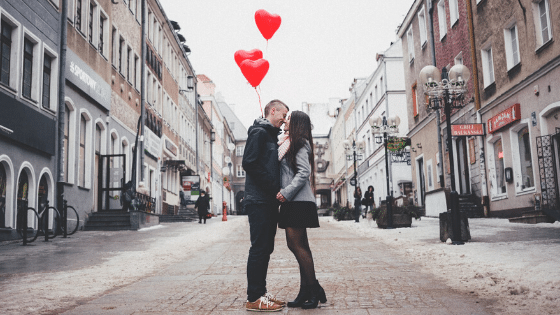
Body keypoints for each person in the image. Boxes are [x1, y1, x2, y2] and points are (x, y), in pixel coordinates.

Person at [276, 111, 327, 309]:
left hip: (297, 201)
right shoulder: (287, 143)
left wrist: (286, 192)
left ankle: (313, 289)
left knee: (297, 246)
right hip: (293, 201)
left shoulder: (300, 143)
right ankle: (307, 289)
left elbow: (304, 172)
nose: (284, 121)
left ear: (296, 123)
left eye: (288, 119)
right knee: (300, 246)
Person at [243, 100, 289, 312]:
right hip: (260, 200)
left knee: (266, 248)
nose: (284, 119)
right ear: (273, 110)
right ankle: (254, 298)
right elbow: (249, 163)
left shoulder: (269, 135)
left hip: (267, 200)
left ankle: (261, 293)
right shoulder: (259, 133)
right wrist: (273, 188)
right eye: (283, 114)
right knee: (260, 248)